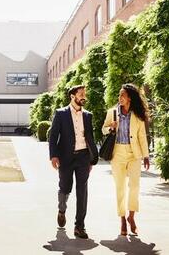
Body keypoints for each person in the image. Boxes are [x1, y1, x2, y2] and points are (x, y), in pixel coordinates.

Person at [49, 85, 99, 239]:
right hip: (65, 157)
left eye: (85, 94)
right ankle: (62, 209)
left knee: (82, 191)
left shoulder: (88, 115)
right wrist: (53, 156)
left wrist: (91, 158)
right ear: (72, 96)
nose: (84, 96)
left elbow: (90, 137)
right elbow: (53, 136)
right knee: (65, 186)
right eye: (81, 94)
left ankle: (79, 226)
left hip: (83, 157)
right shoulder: (61, 114)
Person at [102, 83, 150, 236]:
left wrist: (146, 155)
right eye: (119, 95)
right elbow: (103, 129)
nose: (120, 97)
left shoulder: (137, 114)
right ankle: (122, 219)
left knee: (134, 186)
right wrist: (111, 127)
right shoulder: (112, 112)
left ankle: (131, 216)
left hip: (134, 153)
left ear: (130, 97)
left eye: (122, 95)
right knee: (120, 187)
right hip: (117, 153)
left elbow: (142, 136)